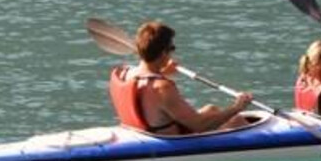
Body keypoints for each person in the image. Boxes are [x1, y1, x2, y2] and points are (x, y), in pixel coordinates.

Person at [108, 21, 253, 135]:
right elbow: (199, 126)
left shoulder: (124, 73)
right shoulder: (162, 87)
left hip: (142, 132)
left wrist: (163, 71)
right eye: (172, 48)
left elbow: (147, 93)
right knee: (236, 120)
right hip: (174, 142)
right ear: (164, 53)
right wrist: (237, 107)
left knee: (211, 109)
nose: (172, 53)